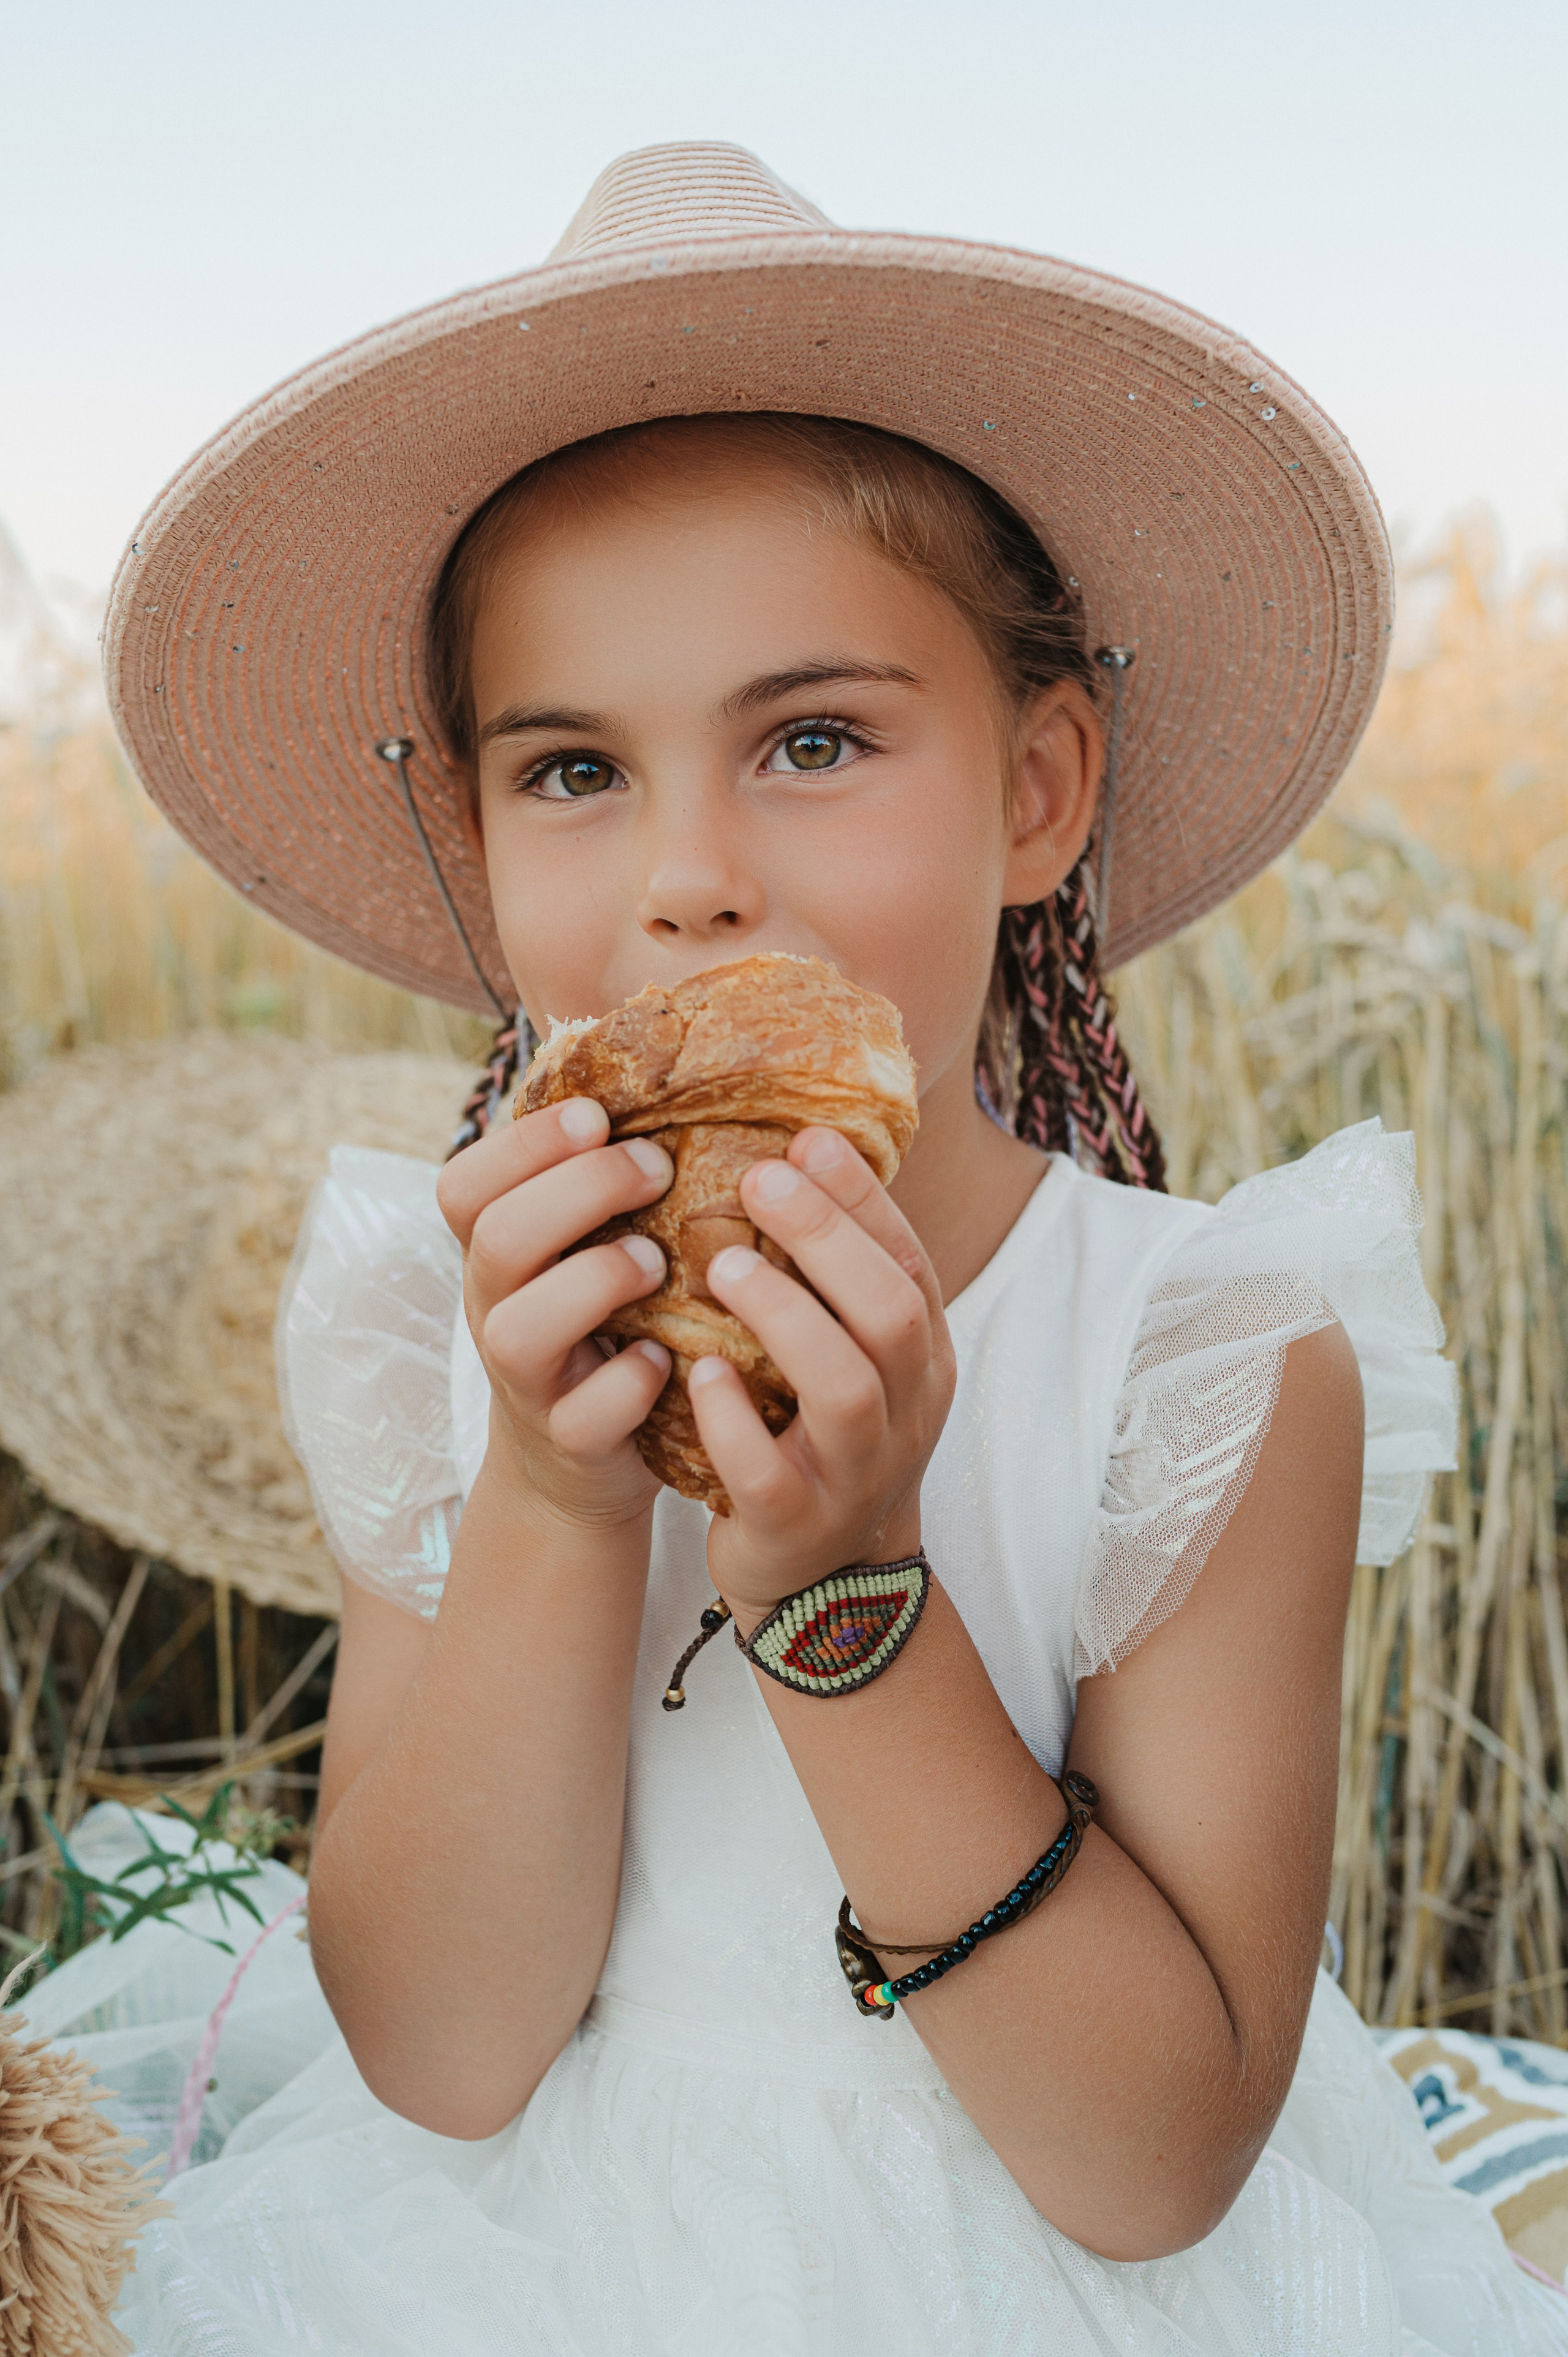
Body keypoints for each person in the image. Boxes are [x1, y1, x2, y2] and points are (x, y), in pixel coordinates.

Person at [79, 142, 1566, 2353]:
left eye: (811, 737)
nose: (687, 876)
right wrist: (564, 1497)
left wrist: (837, 1592)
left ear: (1040, 790)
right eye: (573, 769)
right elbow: (442, 2054)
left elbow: (1150, 2167)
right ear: (480, 851)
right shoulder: (447, 1331)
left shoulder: (1207, 1357)